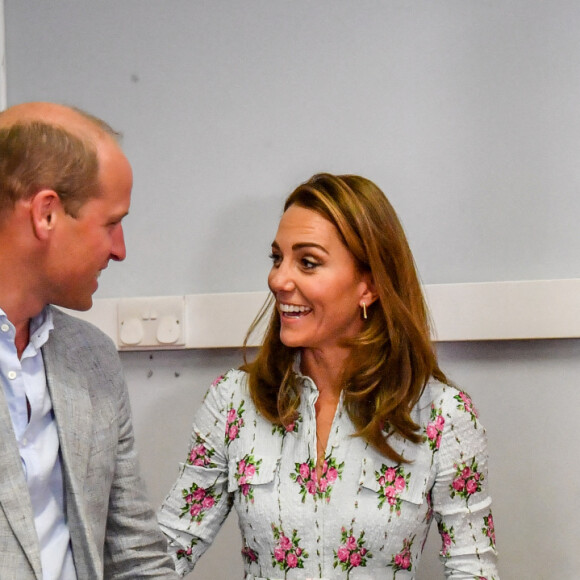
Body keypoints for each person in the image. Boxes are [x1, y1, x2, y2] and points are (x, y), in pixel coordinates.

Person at [158, 173, 499, 579]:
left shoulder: (444, 416)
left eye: (307, 262)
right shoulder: (233, 401)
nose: (278, 280)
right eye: (276, 258)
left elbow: (473, 567)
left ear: (368, 286)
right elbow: (169, 547)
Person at [0, 102, 177, 579]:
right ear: (47, 214)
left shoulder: (92, 359)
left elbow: (134, 551)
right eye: (111, 222)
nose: (120, 250)